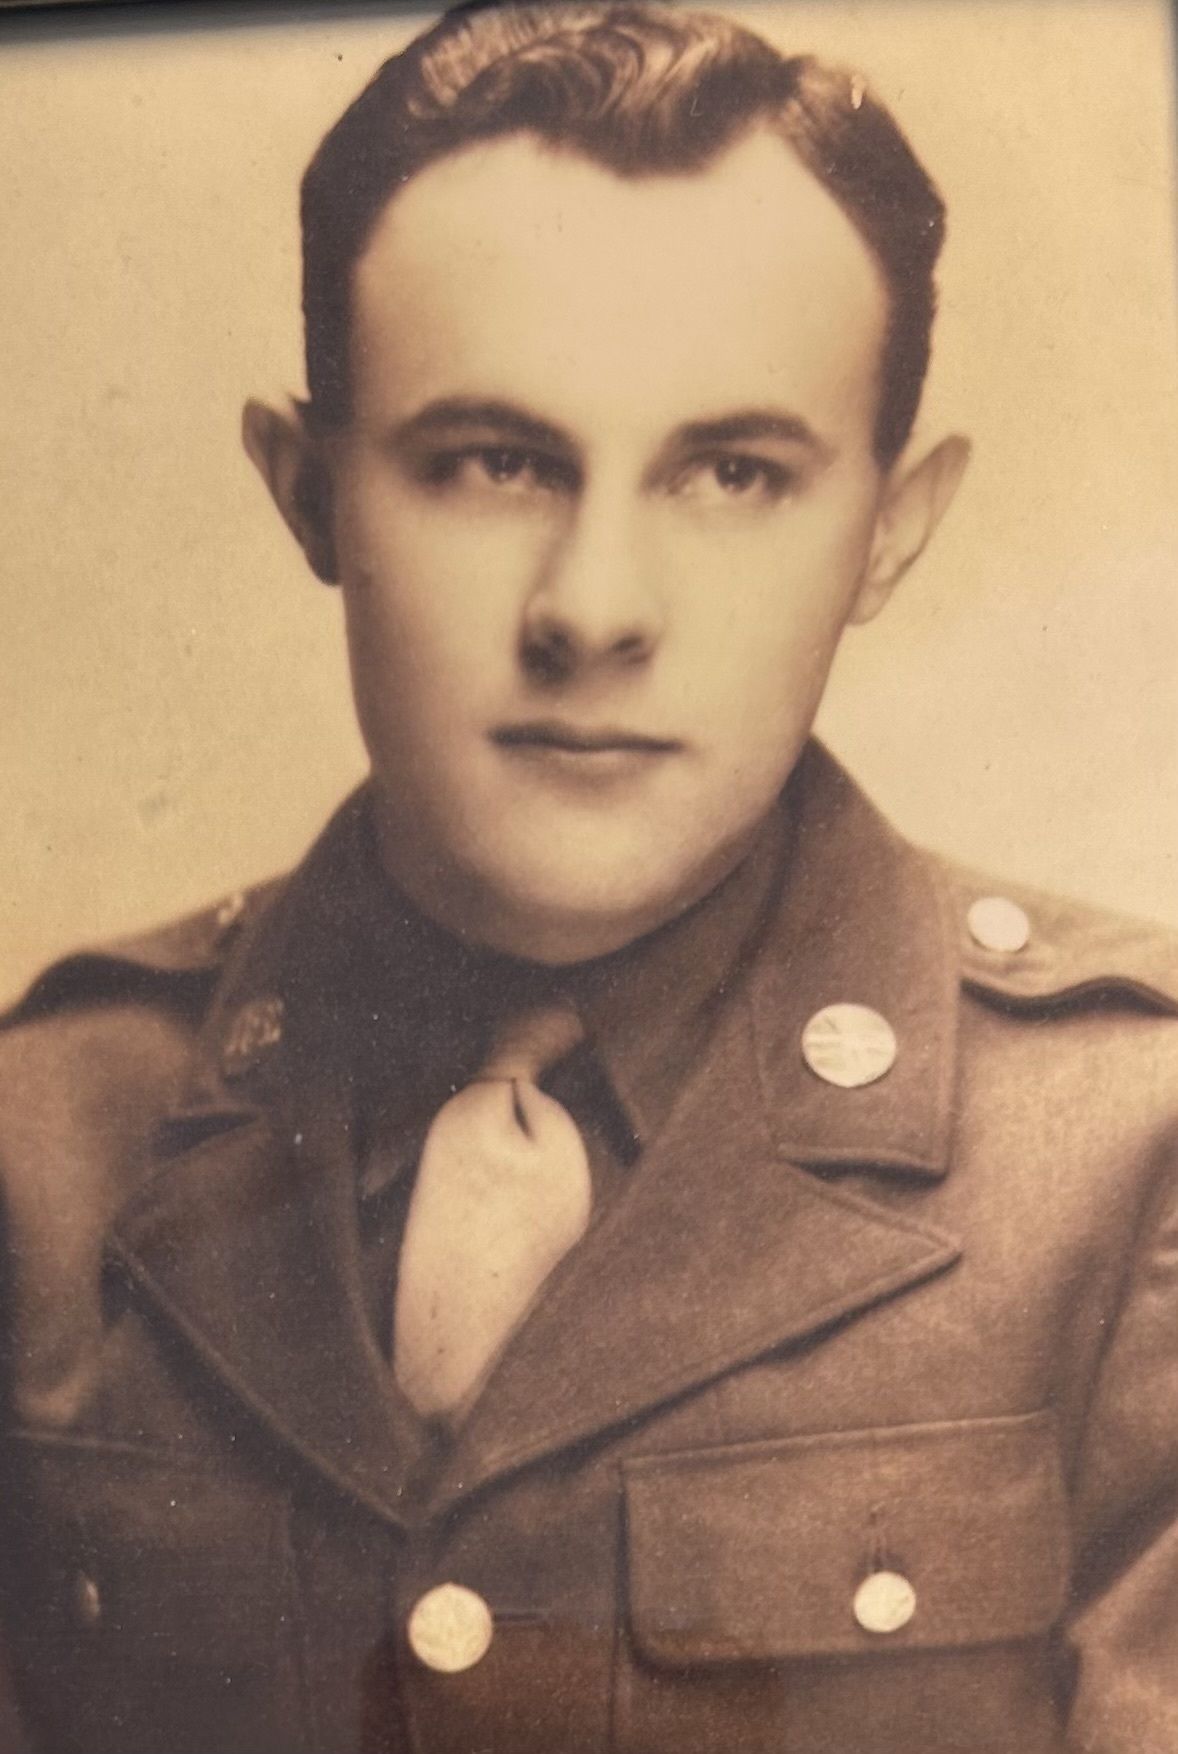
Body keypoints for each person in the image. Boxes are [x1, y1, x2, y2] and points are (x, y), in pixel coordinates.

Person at [0, 3, 1175, 1750]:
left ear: (890, 525)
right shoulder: (47, 1134)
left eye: (731, 471)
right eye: (492, 461)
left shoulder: (1129, 1153)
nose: (593, 605)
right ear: (308, 491)